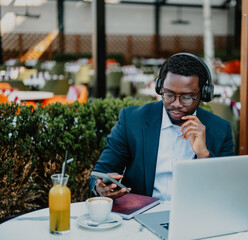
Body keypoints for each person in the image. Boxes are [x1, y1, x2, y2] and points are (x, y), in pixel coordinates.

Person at [89, 53, 234, 201]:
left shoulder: (220, 129)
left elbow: (228, 192)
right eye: (169, 95)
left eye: (187, 97)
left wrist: (205, 156)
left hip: (194, 216)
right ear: (160, 88)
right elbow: (100, 173)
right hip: (141, 215)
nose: (176, 104)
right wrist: (99, 188)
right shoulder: (132, 120)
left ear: (204, 94)